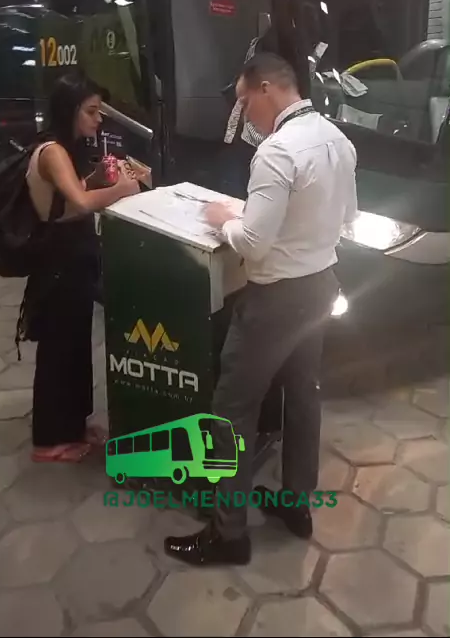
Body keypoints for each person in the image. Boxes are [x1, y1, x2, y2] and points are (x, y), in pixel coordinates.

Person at [165, 52, 357, 566]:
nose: (244, 115)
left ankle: (228, 535)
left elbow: (252, 243)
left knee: (233, 407)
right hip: (321, 285)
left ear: (267, 88)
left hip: (274, 300)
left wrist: (222, 218)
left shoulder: (277, 151)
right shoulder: (338, 139)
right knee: (303, 395)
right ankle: (296, 505)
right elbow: (347, 217)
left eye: (244, 102)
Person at [19, 72, 140, 463]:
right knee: (58, 349)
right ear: (69, 110)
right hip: (58, 262)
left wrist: (98, 178)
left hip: (73, 260)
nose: (98, 119)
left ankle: (72, 425)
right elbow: (83, 204)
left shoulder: (65, 150)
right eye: (91, 111)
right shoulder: (52, 151)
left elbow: (74, 193)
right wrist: (120, 189)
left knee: (75, 345)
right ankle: (48, 441)